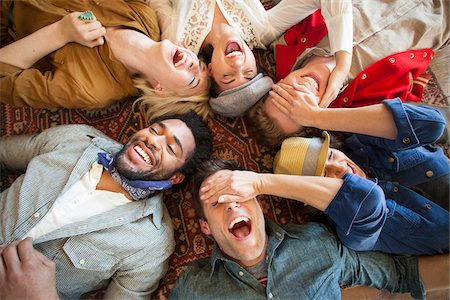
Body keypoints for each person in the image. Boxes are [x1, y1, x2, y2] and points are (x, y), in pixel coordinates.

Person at [0, 111, 213, 299]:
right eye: (155, 130)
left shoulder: (150, 246)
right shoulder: (77, 138)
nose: (153, 141)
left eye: (170, 148)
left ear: (175, 178)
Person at [170, 159, 449, 299]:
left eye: (239, 195)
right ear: (204, 227)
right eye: (218, 202)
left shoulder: (318, 243)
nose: (232, 206)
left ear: (259, 204)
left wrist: (259, 181)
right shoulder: (192, 287)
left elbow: (401, 274)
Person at [199, 99, 450, 254]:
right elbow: (368, 199)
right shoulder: (350, 229)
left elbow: (432, 123)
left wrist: (315, 116)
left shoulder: (361, 146)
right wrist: (260, 182)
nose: (340, 169)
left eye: (330, 156)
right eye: (325, 176)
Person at [243, 0, 449, 139]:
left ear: (275, 83)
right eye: (300, 107)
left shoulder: (288, 40)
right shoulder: (361, 106)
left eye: (286, 95)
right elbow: (420, 122)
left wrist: (342, 63)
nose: (301, 91)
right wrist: (316, 117)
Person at [0, 0, 210, 119]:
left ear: (161, 90)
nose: (192, 64)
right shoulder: (145, 16)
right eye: (199, 64)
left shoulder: (92, 89)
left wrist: (60, 33)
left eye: (193, 80)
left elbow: (2, 79)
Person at [149, 0, 353, 115]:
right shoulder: (263, 30)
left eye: (228, 77)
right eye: (248, 72)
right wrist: (343, 63)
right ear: (255, 61)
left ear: (210, 69)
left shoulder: (179, 43)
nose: (237, 63)